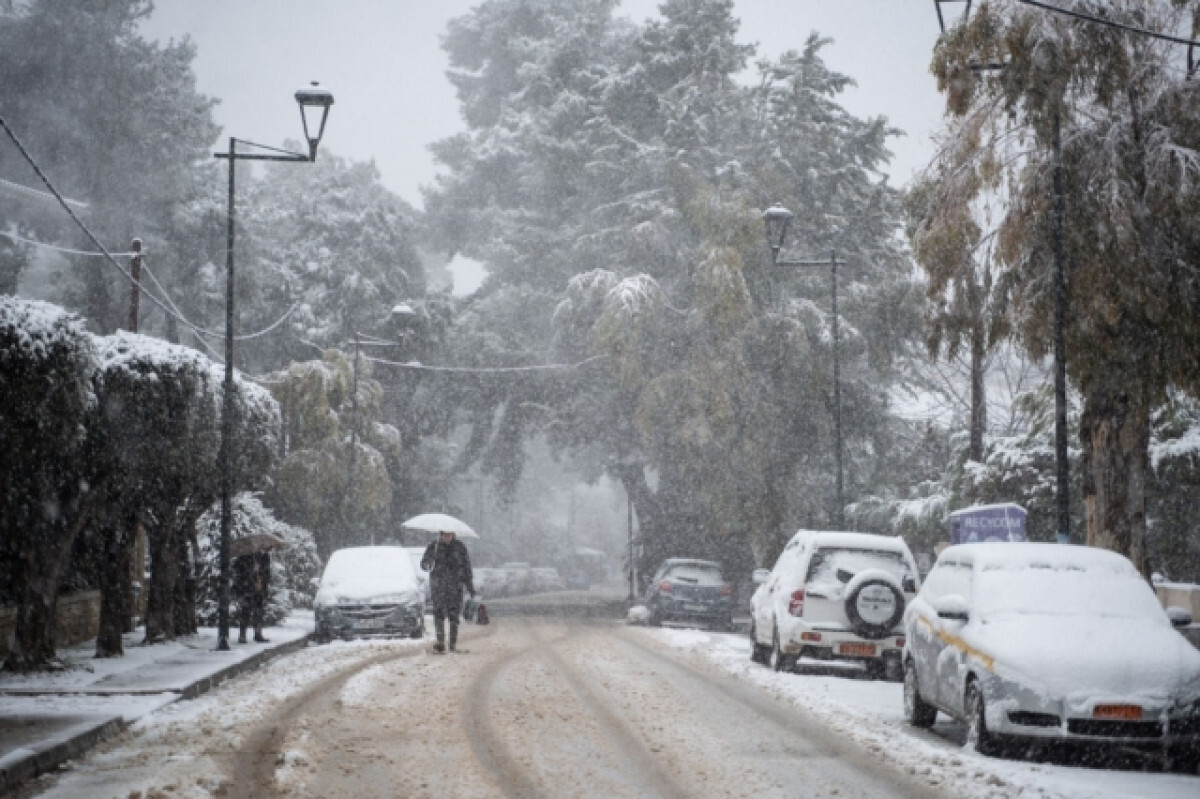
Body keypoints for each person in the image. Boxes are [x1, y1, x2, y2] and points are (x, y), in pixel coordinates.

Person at [420, 530, 475, 652]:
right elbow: (424, 564)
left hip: (455, 588)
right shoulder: (434, 547)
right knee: (438, 614)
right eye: (445, 534)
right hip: (438, 587)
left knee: (454, 616)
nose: (447, 537)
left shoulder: (460, 548)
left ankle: (452, 644)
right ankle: (440, 641)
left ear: (453, 534)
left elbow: (466, 568)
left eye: (449, 534)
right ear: (440, 534)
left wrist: (470, 587)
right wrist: (428, 563)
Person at [233, 550, 271, 644]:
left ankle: (258, 634)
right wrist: (251, 573)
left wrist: (262, 576)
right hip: (247, 588)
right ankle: (242, 635)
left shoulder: (264, 556)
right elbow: (238, 569)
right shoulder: (245, 556)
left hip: (259, 588)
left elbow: (267, 571)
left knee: (258, 612)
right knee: (245, 611)